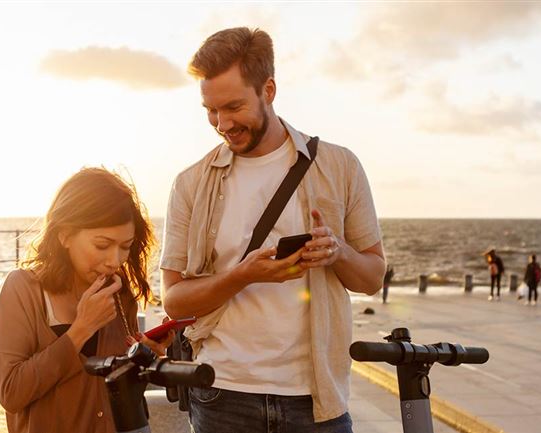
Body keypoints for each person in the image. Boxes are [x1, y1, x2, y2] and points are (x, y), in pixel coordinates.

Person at [161, 27, 386, 433]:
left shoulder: (340, 166)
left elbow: (372, 276)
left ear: (269, 89)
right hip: (221, 395)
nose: (222, 123)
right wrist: (241, 275)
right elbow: (175, 301)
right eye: (210, 110)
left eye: (233, 107)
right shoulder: (190, 183)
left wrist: (339, 253)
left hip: (317, 399)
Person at [0, 168, 172, 433]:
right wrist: (80, 330)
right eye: (102, 245)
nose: (114, 261)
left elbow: (120, 391)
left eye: (125, 246)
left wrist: (147, 356)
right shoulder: (23, 289)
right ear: (64, 234)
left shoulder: (120, 296)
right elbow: (11, 392)